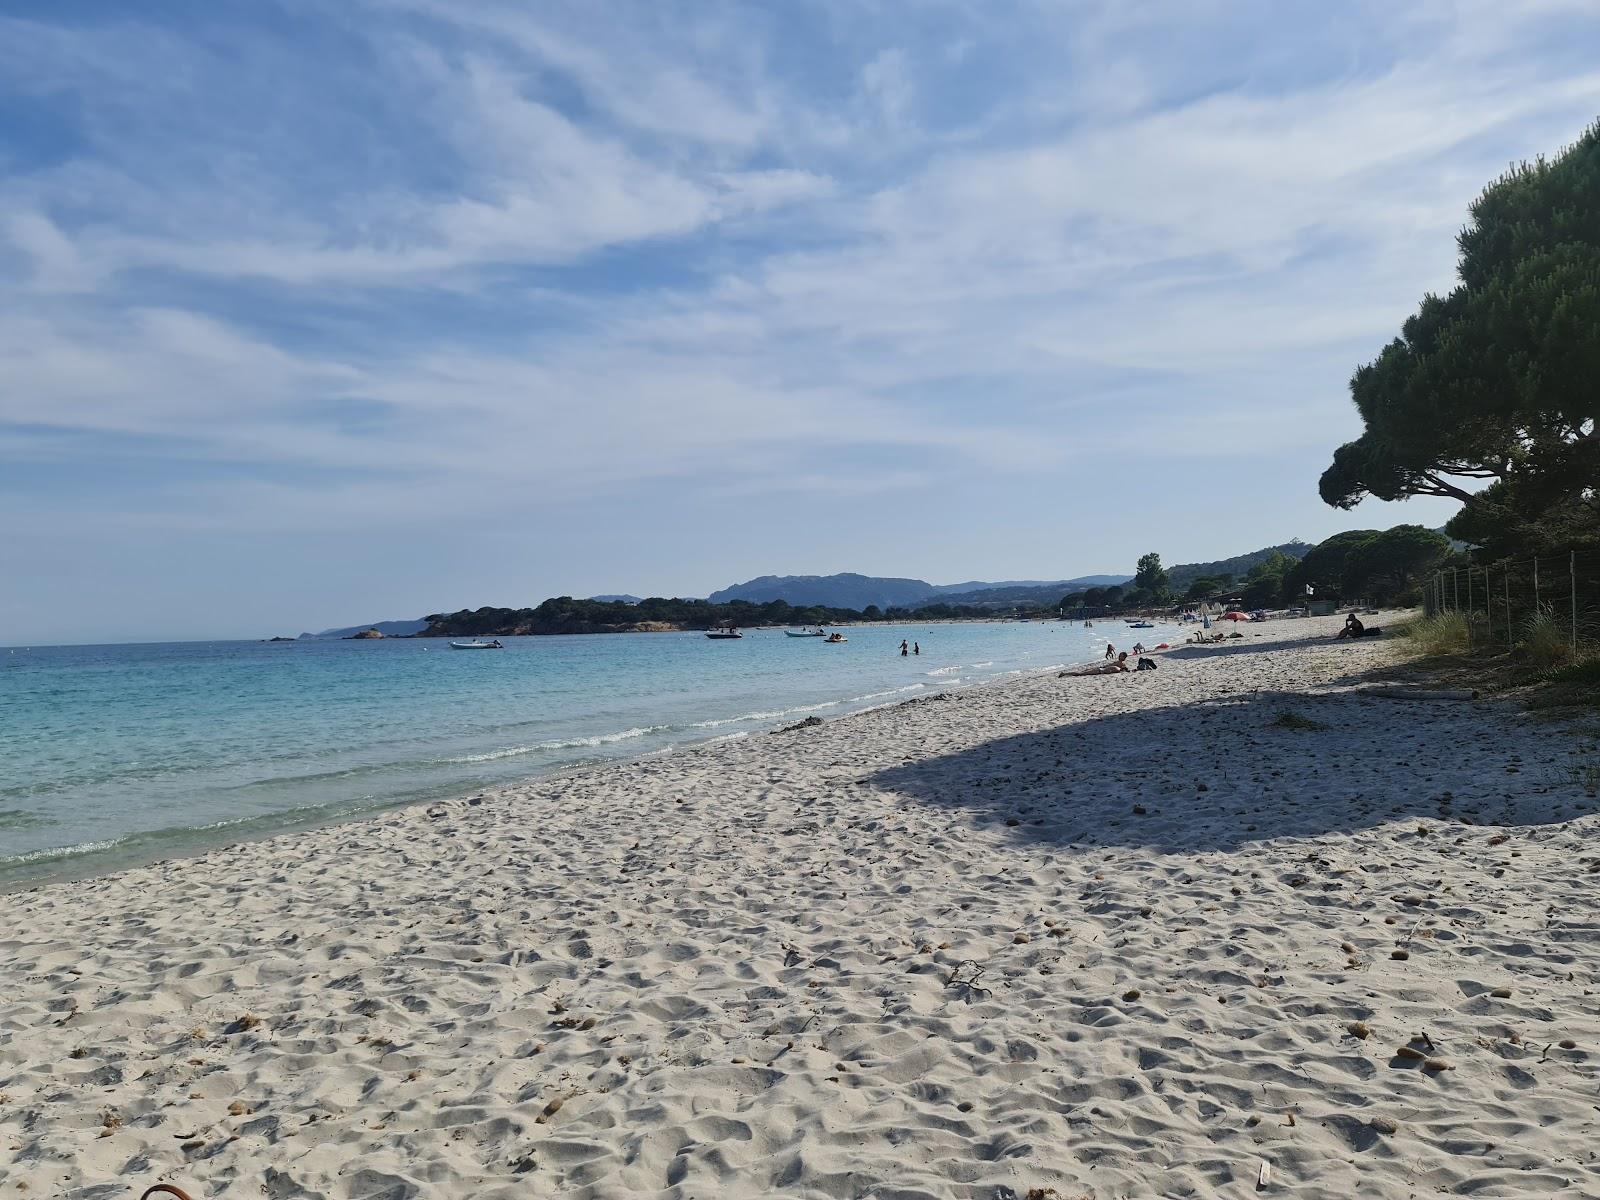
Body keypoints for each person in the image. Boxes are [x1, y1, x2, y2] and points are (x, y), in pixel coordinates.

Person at [1062, 652, 1129, 677]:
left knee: (1081, 673)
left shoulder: (1121, 664)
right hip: (1100, 668)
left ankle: (1065, 674)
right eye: (1119, 655)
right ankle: (1066, 673)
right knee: (1083, 671)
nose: (1119, 656)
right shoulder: (1119, 664)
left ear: (1124, 657)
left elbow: (1111, 670)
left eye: (1121, 656)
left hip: (1100, 670)